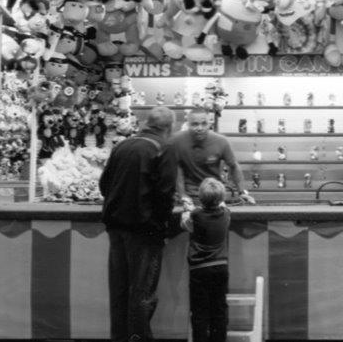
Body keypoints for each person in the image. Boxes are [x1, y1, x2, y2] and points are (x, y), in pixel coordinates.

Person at [99, 105, 179, 342]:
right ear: (169, 127)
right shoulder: (164, 148)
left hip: (115, 227)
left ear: (147, 123)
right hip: (145, 231)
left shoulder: (122, 146)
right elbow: (165, 193)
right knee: (142, 294)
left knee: (120, 291)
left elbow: (104, 185)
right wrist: (162, 226)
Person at [168, 107, 255, 205]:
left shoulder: (221, 141)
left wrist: (242, 192)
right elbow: (176, 169)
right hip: (188, 197)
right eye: (195, 124)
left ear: (209, 124)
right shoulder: (176, 140)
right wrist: (183, 195)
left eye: (204, 124)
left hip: (214, 195)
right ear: (188, 124)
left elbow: (233, 166)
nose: (200, 128)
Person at [180, 177, 231, 342]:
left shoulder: (196, 215)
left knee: (199, 312)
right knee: (219, 310)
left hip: (199, 269)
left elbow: (185, 224)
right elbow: (222, 205)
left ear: (200, 198)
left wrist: (187, 208)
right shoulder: (226, 214)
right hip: (221, 266)